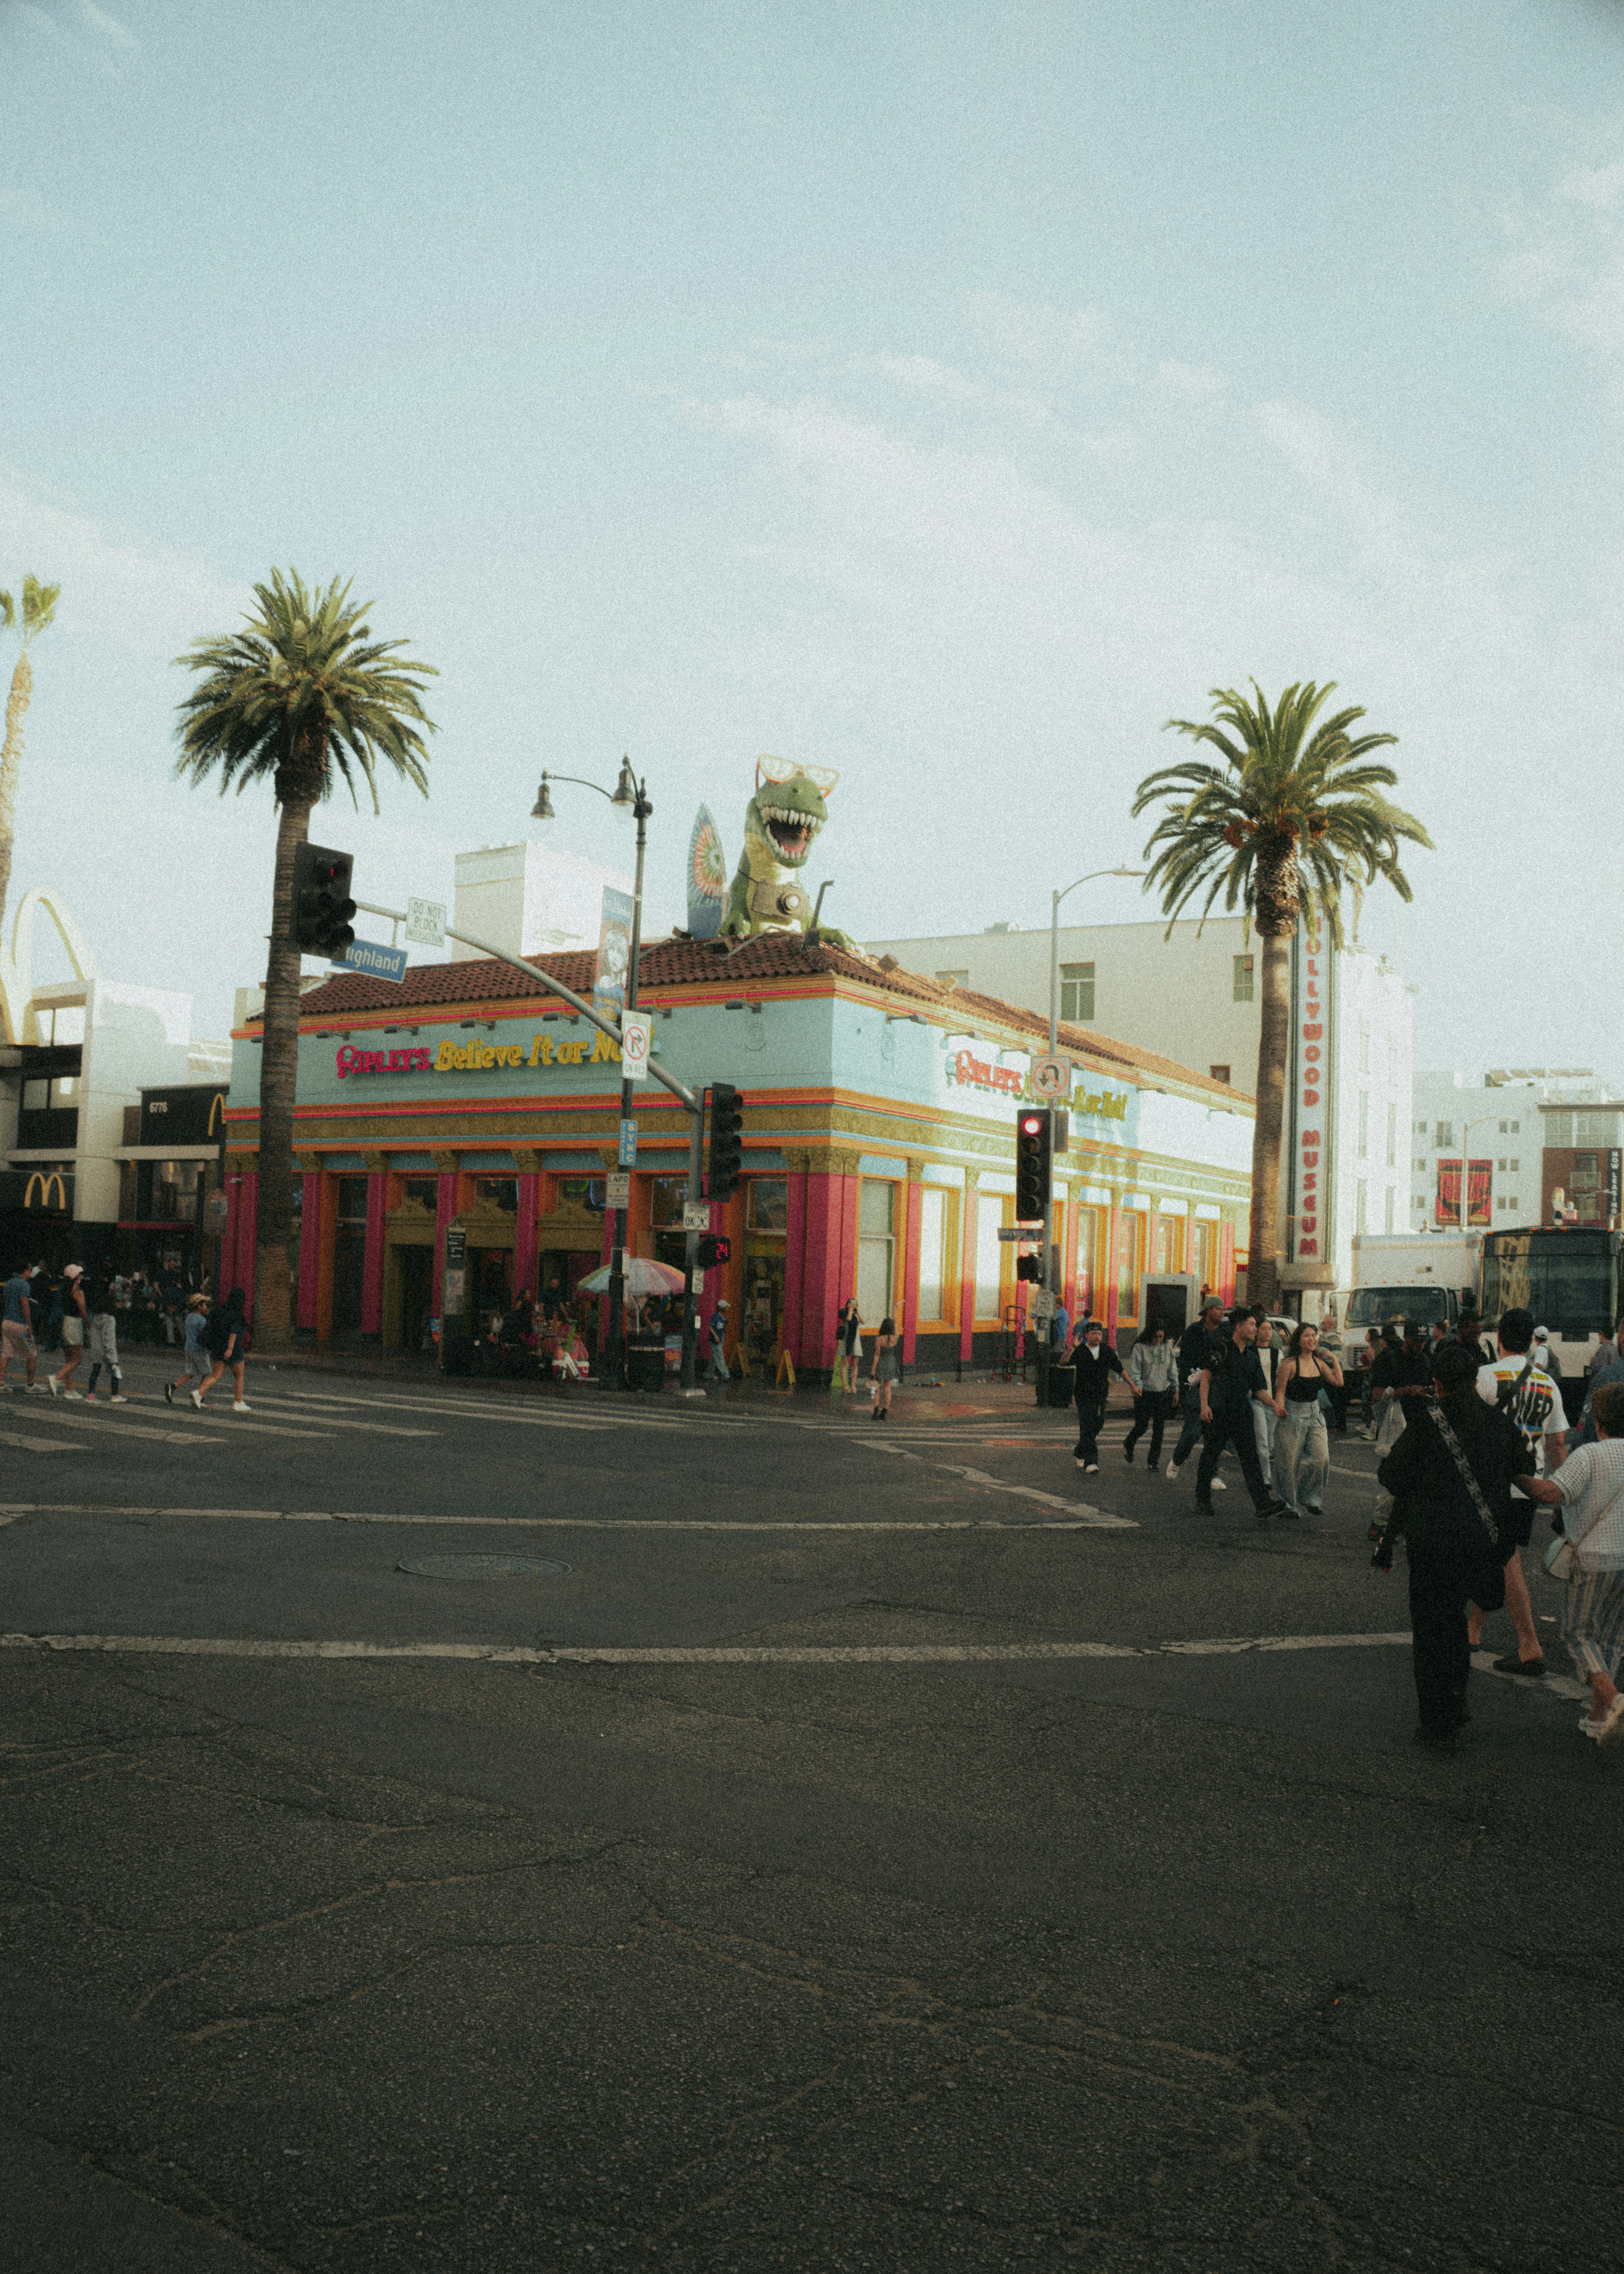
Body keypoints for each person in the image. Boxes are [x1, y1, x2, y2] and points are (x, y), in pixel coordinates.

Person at [1376, 1344, 1534, 1747]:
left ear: (1436, 1382)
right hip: (1480, 1542)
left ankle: (1437, 1719)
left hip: (1432, 1543)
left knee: (1433, 1631)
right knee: (1457, 1626)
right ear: (1476, 1379)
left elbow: (1390, 1474)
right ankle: (1456, 1699)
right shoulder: (1497, 1423)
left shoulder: (1428, 1422)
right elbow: (1524, 1466)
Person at [1521, 1381, 1624, 1743]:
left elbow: (1549, 1492)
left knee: (1578, 1634)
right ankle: (1597, 1716)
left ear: (1598, 1421)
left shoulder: (1589, 1455)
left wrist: (1514, 1473)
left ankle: (1615, 1701)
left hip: (1594, 1559)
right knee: (1610, 1638)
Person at [1468, 1305, 1566, 1675]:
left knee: (1504, 1560)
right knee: (1498, 1557)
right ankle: (1472, 1630)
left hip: (1489, 1484)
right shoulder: (1548, 1383)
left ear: (1497, 1337)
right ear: (1530, 1341)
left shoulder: (1484, 1377)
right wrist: (1558, 1494)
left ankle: (1529, 1644)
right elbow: (1557, 1444)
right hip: (1529, 1486)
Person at [1195, 1310, 1292, 1520]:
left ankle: (1262, 1504)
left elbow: (1259, 1390)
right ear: (1238, 1327)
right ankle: (1202, 1501)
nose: (1256, 1329)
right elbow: (1206, 1378)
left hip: (1242, 1411)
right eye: (1252, 1325)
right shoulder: (1220, 1349)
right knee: (1211, 1455)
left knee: (1251, 1458)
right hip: (1219, 1411)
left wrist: (1275, 1406)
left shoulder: (1251, 1356)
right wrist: (1204, 1406)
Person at [1368, 1319, 1434, 1539]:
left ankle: (1403, 1523)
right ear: (1406, 1338)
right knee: (1395, 1475)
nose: (1421, 1345)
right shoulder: (1389, 1359)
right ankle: (1380, 1522)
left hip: (1420, 1424)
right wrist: (1407, 1391)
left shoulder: (1426, 1360)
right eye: (1417, 1341)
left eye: (1424, 1341)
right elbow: (1378, 1395)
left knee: (1418, 1478)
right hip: (1395, 1426)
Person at [1272, 1320, 1342, 1517]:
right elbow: (1281, 1391)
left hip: (1315, 1416)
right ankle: (1289, 1506)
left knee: (1321, 1459)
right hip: (1292, 1414)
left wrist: (1334, 1359)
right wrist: (1279, 1408)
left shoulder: (1319, 1363)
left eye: (1314, 1335)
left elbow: (1339, 1382)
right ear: (1299, 1340)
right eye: (1307, 1336)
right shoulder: (1288, 1365)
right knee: (1288, 1464)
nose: (1312, 1339)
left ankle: (1310, 1498)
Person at [1166, 1298, 1228, 1488]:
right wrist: (1189, 1381)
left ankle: (1213, 1475)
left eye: (1223, 1309)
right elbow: (1185, 1360)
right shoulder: (1194, 1331)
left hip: (1216, 1388)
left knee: (1214, 1435)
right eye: (1218, 1309)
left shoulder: (1226, 1331)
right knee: (1193, 1431)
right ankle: (1177, 1459)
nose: (1222, 1312)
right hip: (1194, 1386)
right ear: (1208, 1311)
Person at [1072, 1319, 1124, 1472]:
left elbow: (1120, 1369)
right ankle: (1091, 1462)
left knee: (1098, 1423)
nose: (1097, 1337)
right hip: (1083, 1395)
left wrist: (1132, 1385)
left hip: (1100, 1395)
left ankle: (1080, 1451)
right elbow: (1065, 1362)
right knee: (1087, 1425)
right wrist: (1073, 1348)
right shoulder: (1081, 1350)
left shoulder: (1107, 1351)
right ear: (1087, 1335)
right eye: (1094, 1333)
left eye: (1100, 1334)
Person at [1123, 1321, 1175, 1466]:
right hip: (1145, 1393)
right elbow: (1135, 1370)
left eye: (1161, 1337)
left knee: (1159, 1429)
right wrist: (1138, 1386)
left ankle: (1153, 1461)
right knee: (1142, 1426)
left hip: (1162, 1392)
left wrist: (1175, 1389)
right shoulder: (1140, 1348)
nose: (1158, 1340)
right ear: (1149, 1335)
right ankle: (1129, 1443)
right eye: (1155, 1337)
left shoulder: (1167, 1347)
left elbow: (1172, 1369)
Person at [194, 1285, 250, 1411]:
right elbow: (234, 1332)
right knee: (239, 1376)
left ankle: (199, 1393)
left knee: (216, 1375)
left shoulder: (218, 1311)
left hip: (217, 1347)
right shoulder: (238, 1314)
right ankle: (238, 1402)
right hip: (233, 1350)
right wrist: (230, 1349)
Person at [1251, 1313, 1285, 1488]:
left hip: (1273, 1401)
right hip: (1256, 1401)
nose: (1267, 1332)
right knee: (1262, 1441)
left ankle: (1260, 1474)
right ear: (1256, 1331)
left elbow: (1281, 1379)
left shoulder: (1277, 1353)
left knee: (1270, 1443)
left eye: (1270, 1329)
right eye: (1264, 1329)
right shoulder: (1250, 1352)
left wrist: (1280, 1401)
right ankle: (1265, 1478)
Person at [48, 1264, 89, 1399]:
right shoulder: (78, 1292)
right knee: (77, 1359)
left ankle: (69, 1389)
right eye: (79, 1275)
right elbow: (83, 1311)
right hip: (74, 1324)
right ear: (75, 1277)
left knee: (69, 1360)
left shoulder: (63, 1291)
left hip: (64, 1323)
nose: (81, 1277)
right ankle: (56, 1378)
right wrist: (89, 1325)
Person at [83, 1279, 127, 1403]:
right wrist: (110, 1355)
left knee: (96, 1367)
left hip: (96, 1346)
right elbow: (109, 1340)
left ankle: (91, 1394)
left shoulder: (95, 1318)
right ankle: (115, 1394)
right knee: (114, 1366)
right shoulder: (110, 1319)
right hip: (109, 1348)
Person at [166, 1295, 213, 1405]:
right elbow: (203, 1335)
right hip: (200, 1350)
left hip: (189, 1348)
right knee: (207, 1374)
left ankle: (173, 1387)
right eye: (205, 1304)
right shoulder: (202, 1320)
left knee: (191, 1373)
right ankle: (200, 1396)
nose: (206, 1306)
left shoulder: (189, 1317)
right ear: (199, 1306)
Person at [0, 1261, 39, 1393]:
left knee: (6, 1354)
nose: (31, 1272)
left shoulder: (8, 1284)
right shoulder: (24, 1285)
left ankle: (1, 1382)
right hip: (20, 1324)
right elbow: (25, 1305)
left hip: (7, 1322)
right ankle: (31, 1385)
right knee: (32, 1354)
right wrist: (29, 1324)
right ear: (25, 1271)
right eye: (30, 1270)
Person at [870, 1315, 900, 1420]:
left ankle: (876, 1411)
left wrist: (873, 1369)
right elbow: (896, 1328)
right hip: (891, 1363)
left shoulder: (879, 1340)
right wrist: (895, 1315)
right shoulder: (895, 1338)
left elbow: (877, 1355)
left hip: (881, 1364)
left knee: (876, 1388)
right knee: (888, 1389)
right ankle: (884, 1412)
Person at [837, 1298, 863, 1392]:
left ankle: (853, 1385)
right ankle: (844, 1385)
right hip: (847, 1339)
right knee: (845, 1362)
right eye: (852, 1304)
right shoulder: (843, 1312)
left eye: (855, 1304)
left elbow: (863, 1322)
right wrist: (851, 1310)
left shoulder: (856, 1315)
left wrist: (857, 1313)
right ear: (847, 1305)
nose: (854, 1305)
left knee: (855, 1363)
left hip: (856, 1340)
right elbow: (848, 1319)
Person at [705, 1298, 731, 1384]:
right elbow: (710, 1327)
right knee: (720, 1357)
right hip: (715, 1339)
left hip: (721, 1338)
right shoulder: (716, 1316)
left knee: (715, 1357)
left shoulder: (724, 1317)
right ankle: (725, 1375)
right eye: (726, 1307)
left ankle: (709, 1374)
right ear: (723, 1308)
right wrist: (716, 1337)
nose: (727, 1309)